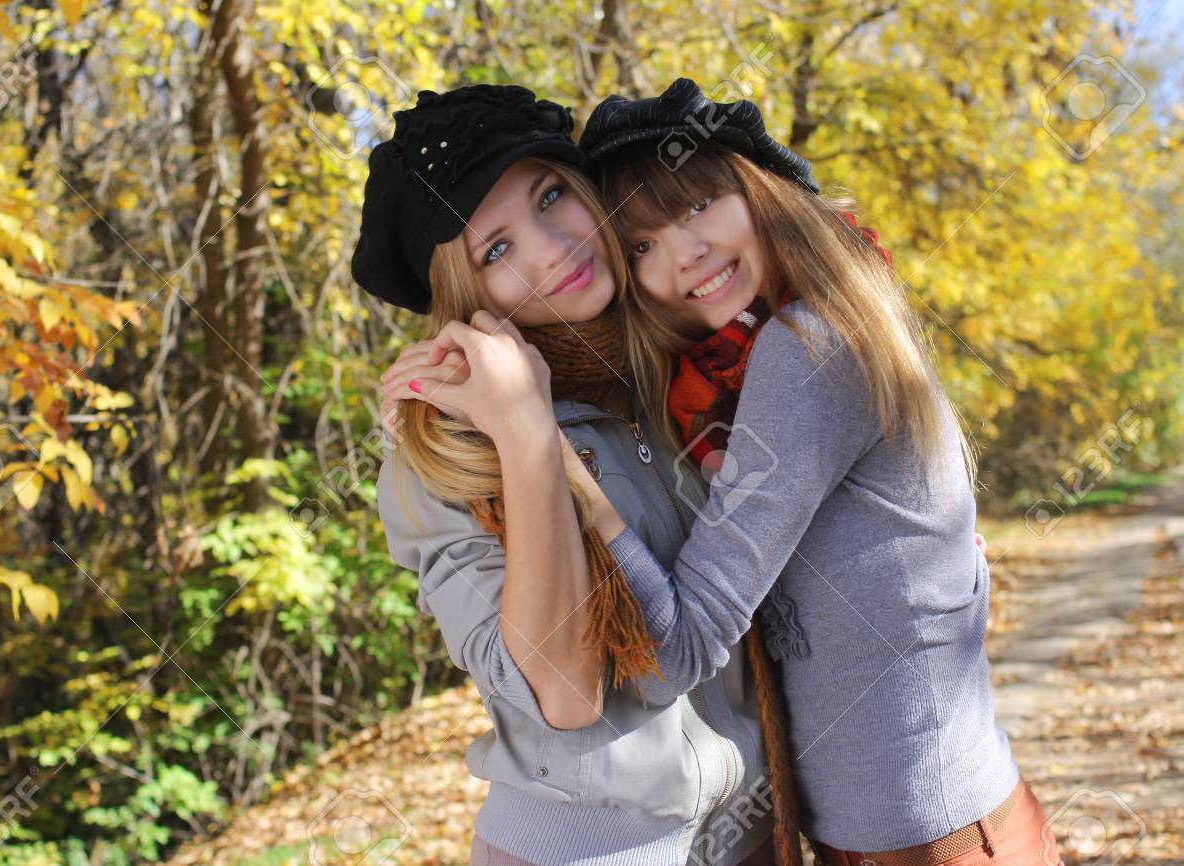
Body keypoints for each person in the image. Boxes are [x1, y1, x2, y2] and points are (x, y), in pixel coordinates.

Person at [552, 78, 1062, 866]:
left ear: (759, 192)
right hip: (916, 826)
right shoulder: (805, 334)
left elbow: (677, 649)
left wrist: (563, 473)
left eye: (699, 205)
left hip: (933, 841)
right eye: (642, 246)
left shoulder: (803, 351)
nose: (684, 255)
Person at [358, 84, 788, 866]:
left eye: (551, 196)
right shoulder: (446, 447)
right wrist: (527, 436)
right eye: (496, 250)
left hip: (760, 831)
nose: (552, 248)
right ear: (466, 293)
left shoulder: (685, 361)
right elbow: (563, 691)